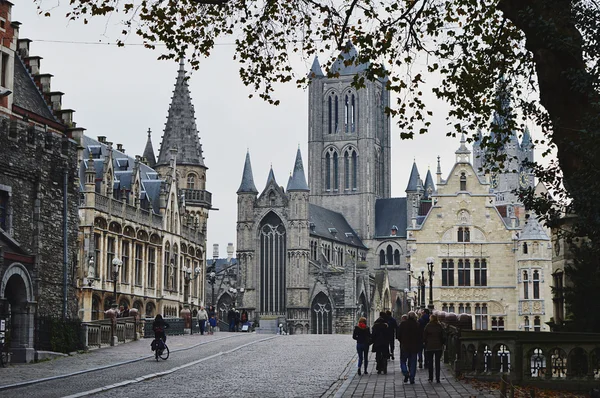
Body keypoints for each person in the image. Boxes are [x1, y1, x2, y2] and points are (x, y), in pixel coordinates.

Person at [397, 311, 420, 384]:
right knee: (413, 363)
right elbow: (420, 336)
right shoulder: (417, 325)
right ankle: (412, 378)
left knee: (403, 361)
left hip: (405, 346)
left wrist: (402, 341)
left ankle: (405, 372)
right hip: (414, 347)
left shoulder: (403, 324)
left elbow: (398, 335)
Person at [423, 314, 445, 383]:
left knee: (430, 362)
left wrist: (425, 343)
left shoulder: (428, 326)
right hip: (438, 346)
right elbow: (443, 336)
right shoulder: (439, 326)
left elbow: (424, 336)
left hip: (429, 346)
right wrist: (442, 343)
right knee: (437, 363)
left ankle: (430, 377)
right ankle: (437, 378)